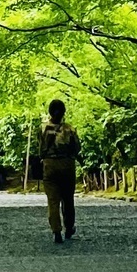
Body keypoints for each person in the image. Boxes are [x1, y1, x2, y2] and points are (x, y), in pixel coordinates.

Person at [38, 98, 79, 243]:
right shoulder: (70, 129)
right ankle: (69, 227)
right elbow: (77, 148)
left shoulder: (43, 129)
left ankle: (56, 230)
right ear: (63, 112)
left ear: (50, 111)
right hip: (67, 164)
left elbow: (41, 148)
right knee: (68, 199)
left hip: (50, 165)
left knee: (53, 200)